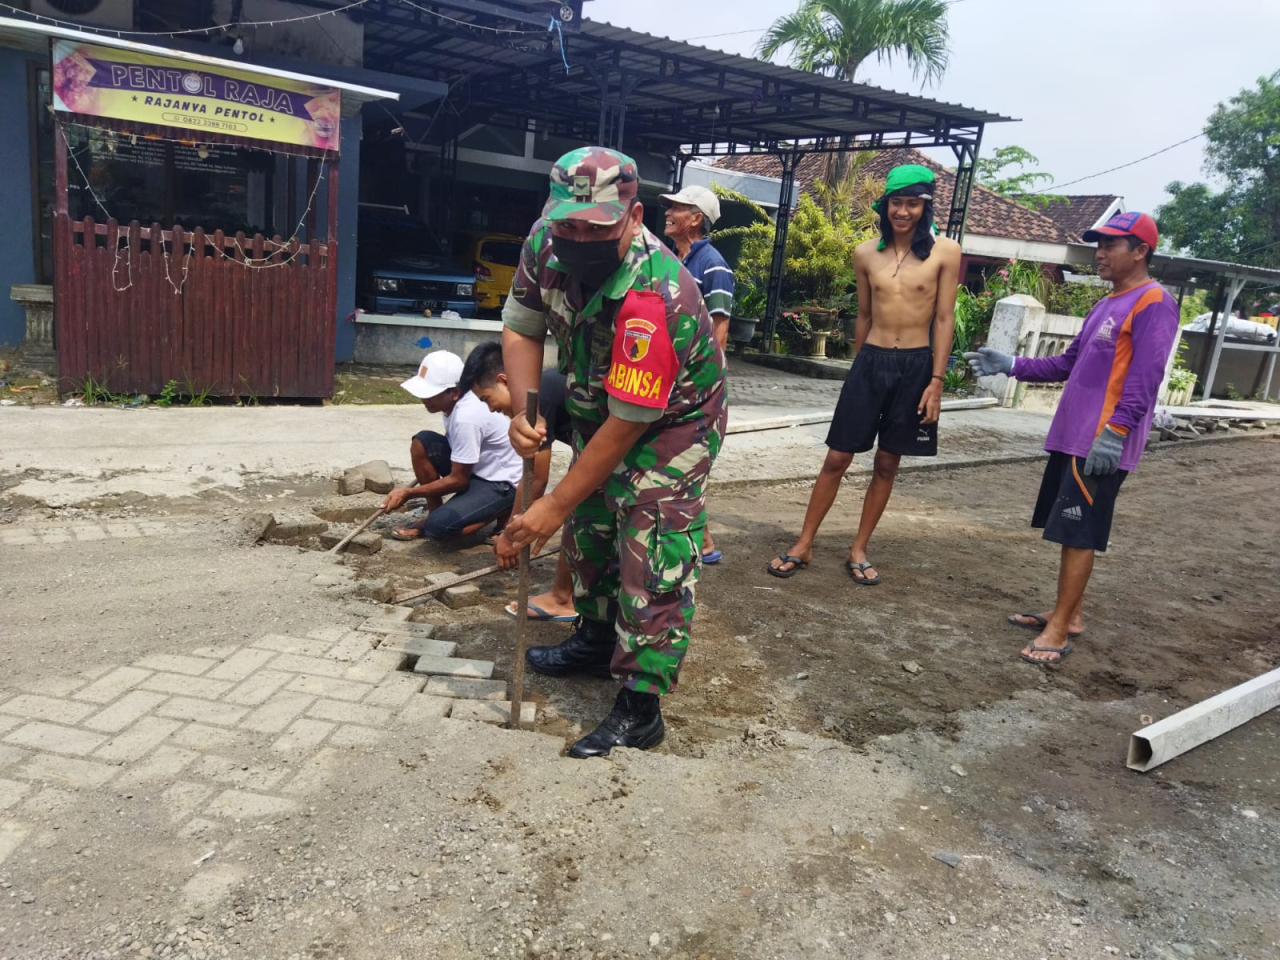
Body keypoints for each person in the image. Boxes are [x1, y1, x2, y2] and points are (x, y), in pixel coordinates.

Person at [500, 146, 727, 759]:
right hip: (601, 404)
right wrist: (526, 412)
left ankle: (640, 705)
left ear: (632, 215)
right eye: (567, 222)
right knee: (592, 526)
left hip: (671, 424)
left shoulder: (659, 295)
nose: (576, 237)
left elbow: (630, 425)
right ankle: (596, 640)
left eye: (592, 226)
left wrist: (548, 505)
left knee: (650, 542)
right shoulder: (546, 240)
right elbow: (522, 324)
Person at [965, 212, 1179, 665]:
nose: (1099, 254)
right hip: (1073, 435)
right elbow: (1067, 364)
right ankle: (1070, 614)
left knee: (1081, 531)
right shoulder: (1106, 304)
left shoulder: (1153, 302)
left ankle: (1059, 630)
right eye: (1096, 244)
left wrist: (1116, 432)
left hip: (1101, 443)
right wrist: (1012, 364)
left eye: (1110, 245)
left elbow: (1146, 377)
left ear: (1140, 251)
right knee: (1067, 527)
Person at [767, 163, 961, 585]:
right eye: (897, 202)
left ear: (925, 207)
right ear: (885, 205)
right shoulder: (864, 253)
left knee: (888, 462)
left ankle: (859, 547)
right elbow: (864, 315)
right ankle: (804, 542)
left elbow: (944, 318)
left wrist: (937, 382)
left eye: (913, 203)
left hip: (916, 367)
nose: (904, 211)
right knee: (837, 456)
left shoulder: (946, 252)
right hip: (870, 362)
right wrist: (861, 368)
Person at [463, 341, 577, 623]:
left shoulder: (538, 398)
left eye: (487, 398)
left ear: (503, 381)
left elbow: (536, 479)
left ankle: (562, 598)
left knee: (579, 510)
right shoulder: (544, 388)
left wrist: (510, 533)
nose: (490, 410)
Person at [661, 184, 734, 564]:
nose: (669, 212)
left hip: (698, 384)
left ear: (697, 219)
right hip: (673, 378)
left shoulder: (714, 265)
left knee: (689, 460)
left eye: (679, 207)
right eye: (670, 206)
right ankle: (703, 542)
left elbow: (719, 330)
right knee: (681, 461)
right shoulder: (675, 260)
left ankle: (700, 542)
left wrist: (703, 386)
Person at [381, 350, 523, 542]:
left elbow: (459, 480)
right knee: (422, 442)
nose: (424, 400)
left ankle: (503, 509)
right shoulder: (450, 404)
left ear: (455, 392)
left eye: (430, 394)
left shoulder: (467, 417)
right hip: (477, 470)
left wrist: (408, 492)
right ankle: (435, 513)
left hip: (501, 482)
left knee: (439, 528)